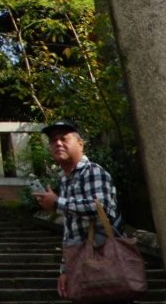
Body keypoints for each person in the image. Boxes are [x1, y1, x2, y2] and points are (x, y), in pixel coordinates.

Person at [33, 121, 124, 299]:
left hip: (103, 260)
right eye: (53, 140)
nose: (58, 143)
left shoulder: (92, 172)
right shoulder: (66, 180)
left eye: (64, 138)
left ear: (80, 144)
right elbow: (71, 232)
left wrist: (57, 202)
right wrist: (65, 269)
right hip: (81, 266)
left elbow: (101, 208)